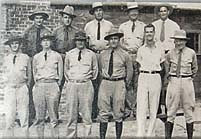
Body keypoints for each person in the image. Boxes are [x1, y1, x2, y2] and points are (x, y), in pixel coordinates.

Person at [98, 28, 133, 139]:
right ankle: (102, 137)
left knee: (118, 112)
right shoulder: (103, 54)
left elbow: (130, 71)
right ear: (108, 40)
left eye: (115, 39)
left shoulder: (125, 54)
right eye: (111, 39)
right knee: (103, 111)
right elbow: (100, 69)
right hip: (105, 82)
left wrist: (125, 84)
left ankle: (118, 137)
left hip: (119, 83)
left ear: (119, 40)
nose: (113, 41)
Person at [64, 31, 98, 138]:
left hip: (86, 85)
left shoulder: (91, 54)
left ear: (85, 41)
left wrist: (85, 79)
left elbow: (95, 71)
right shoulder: (69, 54)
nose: (80, 43)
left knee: (87, 114)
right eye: (78, 40)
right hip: (73, 84)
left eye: (82, 40)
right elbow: (66, 70)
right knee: (71, 114)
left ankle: (87, 136)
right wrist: (72, 80)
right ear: (75, 41)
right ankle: (71, 136)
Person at [165, 30, 198, 139]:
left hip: (186, 80)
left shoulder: (191, 53)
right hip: (174, 80)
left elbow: (194, 68)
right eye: (177, 41)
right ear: (174, 41)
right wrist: (171, 77)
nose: (179, 43)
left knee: (188, 109)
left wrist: (188, 78)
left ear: (185, 41)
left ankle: (190, 137)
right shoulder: (170, 53)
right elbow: (167, 67)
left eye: (181, 41)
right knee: (171, 109)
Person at [84, 2, 114, 120]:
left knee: (105, 82)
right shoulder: (88, 26)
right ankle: (93, 111)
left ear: (103, 12)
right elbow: (86, 42)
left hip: (105, 54)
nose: (99, 12)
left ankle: (105, 111)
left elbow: (113, 41)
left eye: (101, 10)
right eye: (96, 11)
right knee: (93, 83)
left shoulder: (109, 25)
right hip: (93, 54)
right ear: (93, 13)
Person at [136, 24, 165, 137]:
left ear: (154, 33)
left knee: (154, 107)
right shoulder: (141, 49)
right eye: (147, 32)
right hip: (143, 76)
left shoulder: (160, 49)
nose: (149, 34)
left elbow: (163, 66)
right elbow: (138, 65)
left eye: (151, 32)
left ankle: (150, 133)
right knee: (141, 106)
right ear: (144, 34)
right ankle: (140, 132)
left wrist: (159, 78)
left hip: (155, 77)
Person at [32, 33, 63, 138]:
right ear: (41, 43)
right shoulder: (36, 57)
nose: (46, 43)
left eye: (48, 40)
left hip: (52, 84)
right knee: (39, 117)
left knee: (53, 117)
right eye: (44, 41)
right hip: (40, 85)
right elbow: (34, 72)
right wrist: (38, 84)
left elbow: (61, 73)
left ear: (51, 42)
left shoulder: (57, 56)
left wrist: (56, 84)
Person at [152, 4, 180, 118]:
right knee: (157, 81)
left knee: (169, 82)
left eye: (165, 11)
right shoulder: (154, 25)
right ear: (159, 13)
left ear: (168, 12)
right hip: (157, 56)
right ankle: (157, 108)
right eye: (161, 11)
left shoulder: (174, 26)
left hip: (169, 55)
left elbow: (178, 43)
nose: (163, 13)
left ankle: (169, 108)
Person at [119, 2, 145, 117]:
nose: (134, 13)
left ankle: (136, 108)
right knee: (127, 82)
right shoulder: (123, 27)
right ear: (128, 13)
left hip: (140, 57)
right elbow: (120, 43)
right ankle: (128, 108)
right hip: (127, 57)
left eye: (136, 11)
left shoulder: (143, 26)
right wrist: (127, 49)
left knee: (138, 83)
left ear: (138, 13)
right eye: (131, 11)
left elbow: (145, 42)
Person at [3, 32, 31, 138]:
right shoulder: (6, 58)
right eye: (12, 44)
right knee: (9, 116)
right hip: (10, 88)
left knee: (24, 115)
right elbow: (4, 73)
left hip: (22, 88)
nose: (15, 45)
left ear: (20, 45)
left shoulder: (26, 58)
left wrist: (25, 86)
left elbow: (29, 74)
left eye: (16, 43)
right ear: (9, 46)